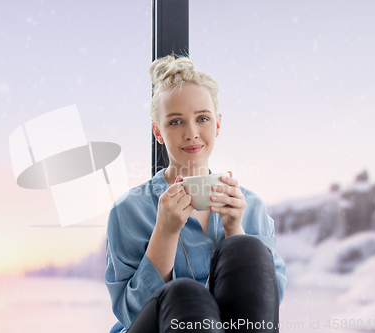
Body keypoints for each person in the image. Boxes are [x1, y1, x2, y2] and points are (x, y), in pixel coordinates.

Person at [104, 54, 287, 333]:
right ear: (158, 132)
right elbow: (131, 313)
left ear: (217, 124)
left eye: (202, 118)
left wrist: (234, 227)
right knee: (183, 296)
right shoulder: (130, 210)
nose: (191, 133)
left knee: (246, 247)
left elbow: (265, 309)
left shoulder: (249, 205)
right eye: (176, 122)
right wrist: (164, 232)